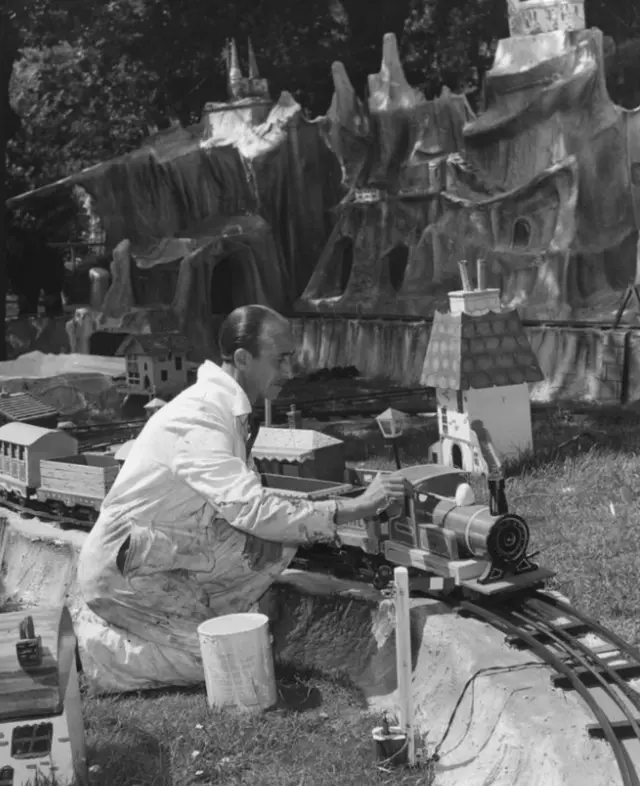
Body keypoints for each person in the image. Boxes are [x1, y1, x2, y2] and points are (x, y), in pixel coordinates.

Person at [75, 304, 410, 693]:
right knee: (223, 659)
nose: (289, 371)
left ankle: (206, 615)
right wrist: (355, 508)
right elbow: (251, 508)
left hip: (162, 551)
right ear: (241, 358)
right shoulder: (200, 416)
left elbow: (251, 509)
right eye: (280, 359)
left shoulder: (228, 411)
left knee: (276, 539)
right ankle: (93, 654)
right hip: (125, 568)